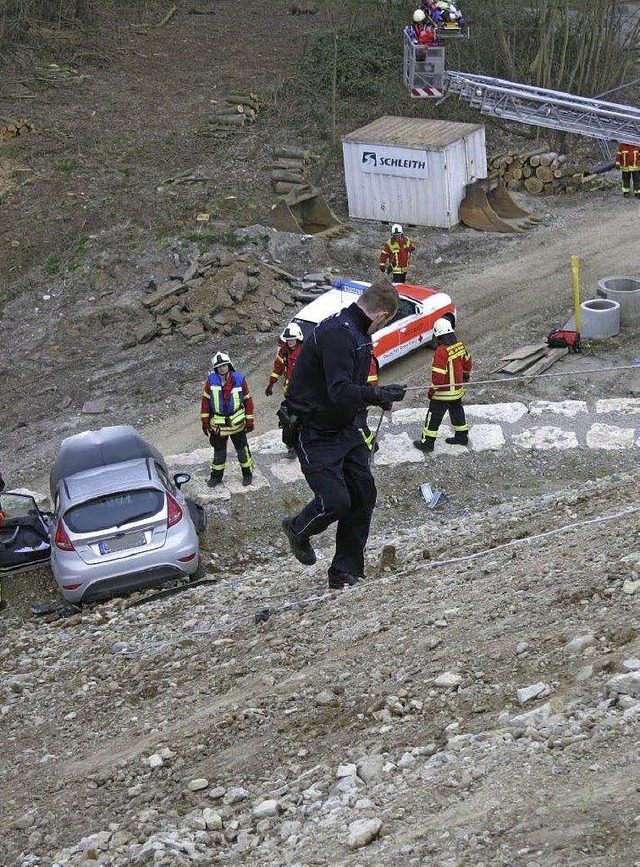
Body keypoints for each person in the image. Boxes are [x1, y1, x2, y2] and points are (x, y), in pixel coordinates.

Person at [280, 277, 407, 590]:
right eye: (384, 323)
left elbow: (352, 388)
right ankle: (298, 528)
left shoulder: (359, 334)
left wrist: (377, 399)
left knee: (363, 494)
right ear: (382, 316)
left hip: (346, 428)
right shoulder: (339, 333)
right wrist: (374, 395)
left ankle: (344, 572)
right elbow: (339, 391)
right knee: (336, 500)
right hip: (315, 432)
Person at [413, 317, 472, 452]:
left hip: (442, 394)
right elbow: (468, 362)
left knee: (433, 417)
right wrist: (466, 375)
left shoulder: (441, 351)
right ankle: (462, 436)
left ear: (438, 335)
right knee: (457, 412)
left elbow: (438, 378)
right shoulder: (459, 346)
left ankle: (427, 443)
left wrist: (431, 392)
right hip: (457, 391)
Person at [200, 351, 255, 487]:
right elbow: (206, 401)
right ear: (215, 368)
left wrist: (250, 420)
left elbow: (248, 401)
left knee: (242, 451)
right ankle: (216, 477)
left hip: (237, 423)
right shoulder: (211, 381)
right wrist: (205, 421)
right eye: (219, 366)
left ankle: (247, 474)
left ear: (229, 365)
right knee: (219, 453)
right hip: (218, 425)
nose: (222, 368)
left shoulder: (240, 379)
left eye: (224, 365)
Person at [265, 323, 304, 458]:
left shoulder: (305, 351)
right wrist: (271, 383)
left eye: (292, 339)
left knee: (304, 418)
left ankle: (305, 443)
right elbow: (278, 367)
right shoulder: (284, 351)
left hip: (304, 391)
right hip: (290, 391)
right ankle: (291, 446)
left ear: (298, 338)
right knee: (289, 420)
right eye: (288, 340)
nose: (290, 342)